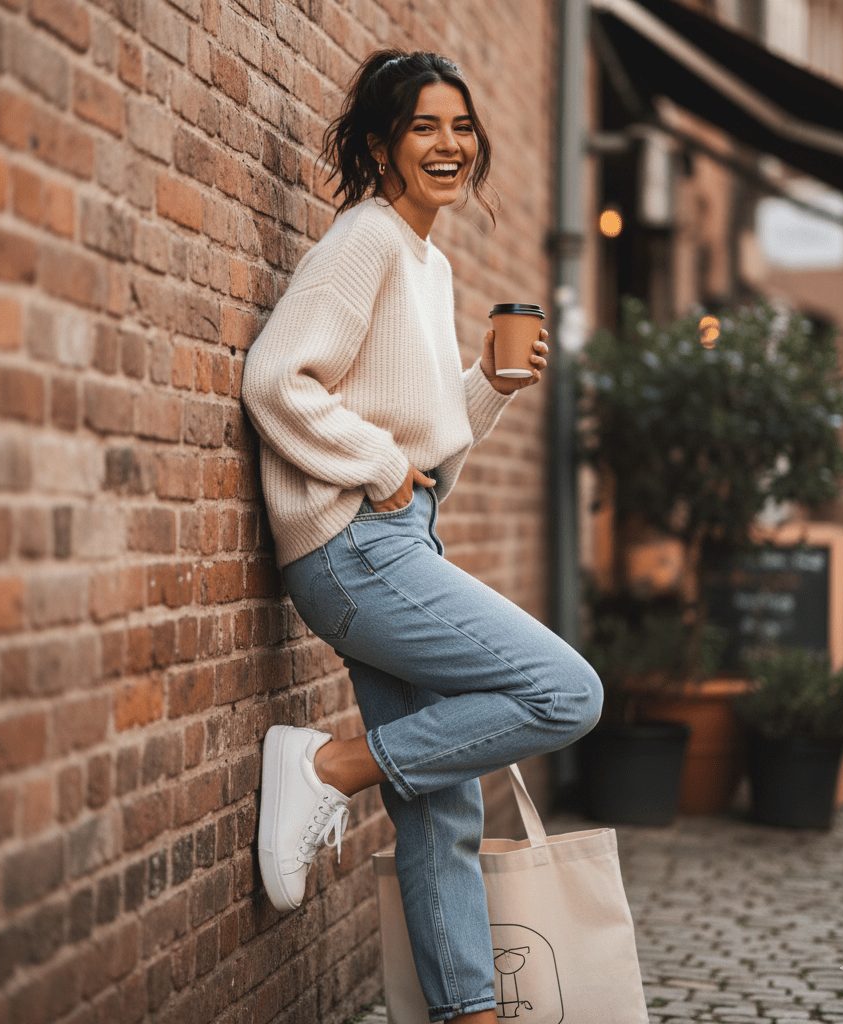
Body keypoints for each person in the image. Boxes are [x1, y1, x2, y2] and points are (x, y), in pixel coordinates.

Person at [241, 49, 603, 1024]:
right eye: (422, 128)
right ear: (379, 147)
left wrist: (490, 386)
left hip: (397, 539)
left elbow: (425, 448)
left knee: (439, 803)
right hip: (355, 548)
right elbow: (277, 377)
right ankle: (326, 767)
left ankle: (467, 1012)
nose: (449, 145)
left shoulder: (426, 259)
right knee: (566, 690)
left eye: (461, 126)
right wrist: (372, 463)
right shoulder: (365, 240)